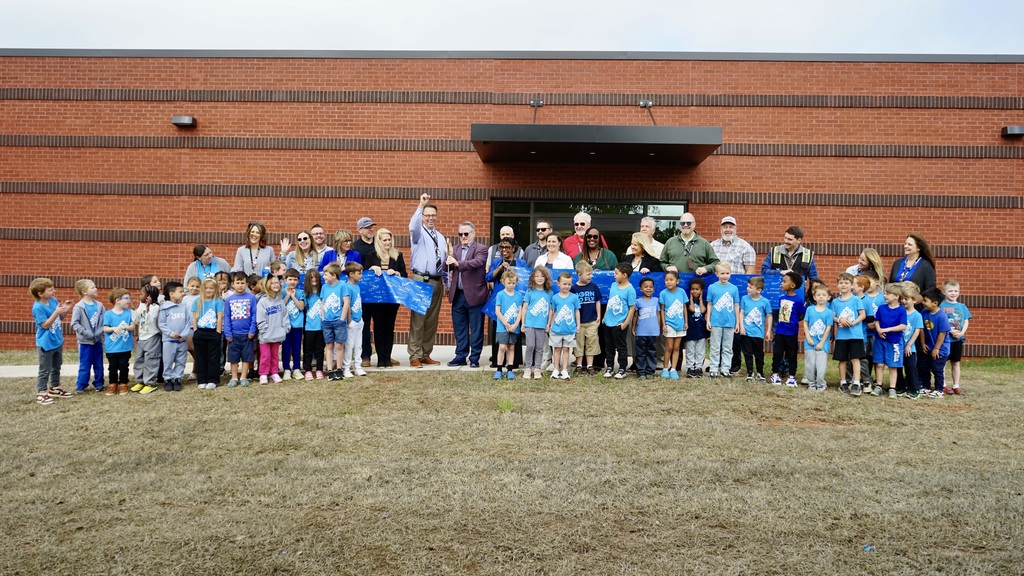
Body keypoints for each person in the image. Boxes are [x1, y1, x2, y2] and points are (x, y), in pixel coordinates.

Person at [407, 194, 447, 367]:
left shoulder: (441, 237)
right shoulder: (418, 234)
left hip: (437, 281)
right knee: (418, 319)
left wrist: (446, 283)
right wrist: (420, 205)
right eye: (427, 215)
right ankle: (414, 355)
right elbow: (412, 226)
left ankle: (425, 353)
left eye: (433, 215)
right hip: (421, 280)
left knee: (432, 320)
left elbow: (443, 260)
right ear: (423, 217)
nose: (430, 218)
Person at [446, 221, 489, 368]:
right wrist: (447, 259)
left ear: (473, 233)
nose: (463, 236)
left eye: (466, 233)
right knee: (460, 328)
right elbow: (448, 267)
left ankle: (475, 357)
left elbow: (476, 263)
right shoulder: (455, 249)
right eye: (460, 234)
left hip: (475, 294)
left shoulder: (481, 249)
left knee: (476, 328)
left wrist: (457, 263)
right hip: (457, 294)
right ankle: (460, 355)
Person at [364, 228, 407, 368]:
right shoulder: (372, 256)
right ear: (379, 241)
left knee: (389, 328)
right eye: (385, 240)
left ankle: (387, 358)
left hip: (391, 299)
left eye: (389, 239)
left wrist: (396, 272)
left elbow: (404, 274)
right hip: (376, 300)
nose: (387, 242)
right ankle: (380, 359)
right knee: (378, 328)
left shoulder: (397, 255)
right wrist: (371, 269)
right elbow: (364, 275)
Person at [30, 278, 73, 405]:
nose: (54, 291)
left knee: (56, 366)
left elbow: (59, 318)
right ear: (40, 294)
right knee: (45, 369)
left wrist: (66, 309)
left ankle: (54, 388)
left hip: (57, 341)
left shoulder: (53, 301)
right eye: (50, 289)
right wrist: (56, 312)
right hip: (46, 343)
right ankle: (41, 392)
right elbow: (45, 325)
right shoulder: (38, 307)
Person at [487, 238, 526, 369]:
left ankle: (514, 362)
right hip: (500, 300)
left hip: (515, 300)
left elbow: (525, 278)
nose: (504, 250)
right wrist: (500, 267)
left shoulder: (521, 262)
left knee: (514, 329)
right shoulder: (496, 262)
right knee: (500, 329)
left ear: (513, 248)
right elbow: (488, 277)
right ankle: (498, 362)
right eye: (502, 247)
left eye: (507, 247)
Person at [832, 272, 866, 396]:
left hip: (855, 334)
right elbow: (832, 316)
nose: (843, 285)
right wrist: (839, 320)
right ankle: (843, 382)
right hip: (842, 335)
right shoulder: (835, 302)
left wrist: (852, 322)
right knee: (842, 359)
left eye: (846, 283)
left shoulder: (856, 299)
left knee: (855, 358)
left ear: (851, 285)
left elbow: (863, 315)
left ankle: (856, 382)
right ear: (837, 285)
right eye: (841, 283)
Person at [706, 262, 741, 378]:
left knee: (727, 347)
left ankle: (725, 368)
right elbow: (709, 304)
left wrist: (737, 322)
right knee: (715, 347)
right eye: (722, 273)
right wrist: (708, 320)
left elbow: (736, 305)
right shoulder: (712, 287)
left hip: (730, 323)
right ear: (716, 274)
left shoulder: (733, 288)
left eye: (727, 273)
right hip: (716, 321)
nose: (725, 276)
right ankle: (713, 368)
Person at [71, 279, 105, 394]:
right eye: (92, 287)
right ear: (84, 291)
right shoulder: (79, 307)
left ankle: (99, 383)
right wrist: (86, 332)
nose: (96, 289)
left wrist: (99, 332)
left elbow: (105, 321)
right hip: (85, 342)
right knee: (85, 364)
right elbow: (75, 323)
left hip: (98, 341)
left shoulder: (100, 306)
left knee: (98, 363)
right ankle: (81, 385)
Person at [603, 262, 636, 379]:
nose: (614, 275)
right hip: (608, 322)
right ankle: (610, 367)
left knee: (621, 347)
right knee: (609, 346)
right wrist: (605, 316)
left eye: (616, 273)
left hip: (619, 323)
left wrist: (625, 323)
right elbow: (610, 302)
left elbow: (632, 307)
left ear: (625, 275)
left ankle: (622, 368)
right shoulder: (613, 285)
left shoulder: (630, 290)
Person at [874, 283, 908, 398]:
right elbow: (877, 320)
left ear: (896, 296)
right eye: (885, 293)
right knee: (879, 363)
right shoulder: (882, 308)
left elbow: (903, 325)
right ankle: (878, 385)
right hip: (880, 340)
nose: (885, 296)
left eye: (888, 294)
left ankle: (892, 388)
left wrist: (888, 330)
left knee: (893, 366)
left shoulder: (901, 311)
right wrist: (879, 330)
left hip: (894, 341)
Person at [770, 272, 804, 387]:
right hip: (780, 332)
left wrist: (792, 322)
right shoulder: (781, 298)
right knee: (777, 353)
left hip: (791, 333)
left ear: (792, 285)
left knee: (792, 354)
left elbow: (801, 315)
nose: (781, 283)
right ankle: (775, 374)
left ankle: (792, 376)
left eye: (784, 281)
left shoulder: (798, 301)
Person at [352, 217, 377, 368]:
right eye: (367, 227)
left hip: (380, 292)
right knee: (364, 324)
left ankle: (383, 354)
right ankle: (365, 355)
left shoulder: (379, 244)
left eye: (372, 226)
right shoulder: (355, 247)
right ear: (359, 230)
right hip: (362, 292)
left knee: (381, 324)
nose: (370, 229)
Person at [225, 271, 257, 388]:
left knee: (246, 356)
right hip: (233, 334)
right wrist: (228, 333)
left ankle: (243, 376)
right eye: (237, 283)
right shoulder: (229, 300)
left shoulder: (252, 298)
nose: (240, 285)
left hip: (247, 334)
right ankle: (234, 377)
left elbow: (254, 315)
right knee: (233, 357)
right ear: (233, 284)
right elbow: (227, 317)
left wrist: (252, 330)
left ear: (247, 284)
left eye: (242, 283)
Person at [190, 278, 224, 390]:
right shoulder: (197, 301)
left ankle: (212, 379)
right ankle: (202, 379)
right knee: (200, 357)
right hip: (200, 332)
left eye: (211, 288)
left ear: (215, 290)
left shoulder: (218, 302)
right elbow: (194, 317)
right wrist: (195, 330)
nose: (208, 290)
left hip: (213, 332)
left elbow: (220, 317)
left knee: (213, 357)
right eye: (206, 288)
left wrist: (218, 332)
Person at [158, 281, 191, 392]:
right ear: (171, 294)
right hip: (169, 341)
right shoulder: (164, 307)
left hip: (182, 341)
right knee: (168, 361)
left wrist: (184, 335)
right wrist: (171, 333)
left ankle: (177, 378)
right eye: (180, 291)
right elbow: (161, 323)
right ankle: (168, 379)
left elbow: (188, 322)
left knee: (181, 360)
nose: (183, 293)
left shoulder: (184, 307)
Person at [521, 266, 553, 380]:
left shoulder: (549, 293)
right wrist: (523, 323)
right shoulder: (529, 291)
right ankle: (528, 368)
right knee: (530, 346)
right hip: (529, 324)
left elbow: (550, 309)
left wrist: (548, 324)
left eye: (542, 276)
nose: (539, 278)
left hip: (541, 325)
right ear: (533, 278)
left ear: (546, 278)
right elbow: (524, 308)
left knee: (540, 348)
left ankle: (537, 369)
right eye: (537, 276)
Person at [256, 275, 290, 384]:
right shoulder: (263, 302)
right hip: (265, 336)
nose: (276, 285)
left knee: (275, 355)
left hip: (277, 334)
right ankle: (263, 374)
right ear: (267, 285)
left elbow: (285, 316)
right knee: (265, 356)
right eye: (273, 283)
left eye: (277, 283)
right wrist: (264, 330)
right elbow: (260, 318)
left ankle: (274, 373)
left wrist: (284, 329)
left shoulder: (280, 301)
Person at [102, 288, 135, 396]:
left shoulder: (129, 313)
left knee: (124, 366)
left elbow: (132, 327)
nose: (129, 300)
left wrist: (126, 327)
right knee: (112, 367)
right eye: (126, 298)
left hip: (125, 346)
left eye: (129, 298)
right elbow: (105, 328)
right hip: (112, 347)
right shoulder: (108, 314)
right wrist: (113, 329)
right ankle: (112, 384)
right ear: (117, 300)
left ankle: (123, 383)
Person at [919, 287, 951, 398]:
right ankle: (926, 387)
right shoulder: (924, 313)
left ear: (935, 303)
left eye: (925, 301)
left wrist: (936, 349)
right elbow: (921, 329)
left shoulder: (941, 316)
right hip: (928, 347)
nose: (923, 303)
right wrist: (923, 343)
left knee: (937, 369)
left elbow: (942, 333)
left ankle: (939, 389)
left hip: (940, 349)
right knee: (924, 368)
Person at [940, 279, 971, 395]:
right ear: (944, 292)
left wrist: (962, 332)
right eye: (950, 291)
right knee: (943, 362)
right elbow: (940, 320)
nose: (953, 293)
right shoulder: (941, 305)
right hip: (945, 339)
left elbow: (966, 321)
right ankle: (942, 384)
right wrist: (951, 330)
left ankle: (956, 385)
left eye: (955, 291)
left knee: (956, 362)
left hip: (958, 339)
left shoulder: (962, 306)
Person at [739, 276, 772, 382]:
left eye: (750, 287)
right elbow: (741, 313)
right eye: (748, 286)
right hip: (746, 332)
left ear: (759, 290)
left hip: (758, 333)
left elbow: (769, 315)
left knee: (759, 354)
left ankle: (760, 372)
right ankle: (749, 372)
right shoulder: (744, 299)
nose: (747, 289)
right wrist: (741, 327)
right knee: (747, 353)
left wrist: (768, 330)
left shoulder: (765, 302)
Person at [320, 261, 350, 381]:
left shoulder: (342, 286)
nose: (324, 277)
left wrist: (342, 318)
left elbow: (346, 302)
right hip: (327, 321)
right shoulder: (324, 287)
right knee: (329, 345)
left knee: (339, 345)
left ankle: (339, 368)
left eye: (326, 275)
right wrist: (323, 317)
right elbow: (322, 303)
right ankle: (330, 369)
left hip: (339, 321)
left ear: (333, 275)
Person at [549, 272, 581, 380]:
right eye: (564, 284)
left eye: (569, 284)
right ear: (558, 284)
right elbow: (552, 312)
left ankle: (564, 370)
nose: (566, 286)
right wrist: (549, 325)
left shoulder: (574, 297)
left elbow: (577, 311)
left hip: (569, 328)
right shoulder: (555, 298)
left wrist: (578, 325)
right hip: (557, 328)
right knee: (557, 349)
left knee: (566, 349)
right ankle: (555, 369)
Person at [571, 261, 602, 376]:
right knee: (579, 343)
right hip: (579, 322)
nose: (591, 276)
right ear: (579, 275)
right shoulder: (573, 288)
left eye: (591, 274)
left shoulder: (593, 286)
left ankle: (590, 365)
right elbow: (572, 305)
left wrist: (599, 315)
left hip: (592, 320)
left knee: (591, 342)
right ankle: (579, 365)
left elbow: (597, 301)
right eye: (588, 274)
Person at [802, 283, 834, 391]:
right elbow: (805, 323)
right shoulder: (810, 309)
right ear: (814, 297)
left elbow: (828, 328)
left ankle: (821, 384)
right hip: (809, 342)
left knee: (820, 366)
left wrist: (822, 343)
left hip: (822, 343)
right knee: (810, 364)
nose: (821, 297)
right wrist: (809, 338)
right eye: (818, 295)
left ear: (828, 297)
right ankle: (811, 383)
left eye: (824, 295)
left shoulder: (829, 312)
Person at [492, 268, 523, 380]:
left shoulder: (519, 295)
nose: (511, 285)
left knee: (511, 347)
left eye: (513, 283)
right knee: (502, 347)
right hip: (502, 326)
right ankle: (499, 369)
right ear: (503, 282)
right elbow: (497, 311)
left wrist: (515, 324)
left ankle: (510, 369)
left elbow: (520, 311)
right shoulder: (500, 295)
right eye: (509, 283)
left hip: (514, 326)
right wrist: (506, 324)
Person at [132, 285, 162, 394]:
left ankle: (150, 382)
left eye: (141, 294)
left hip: (152, 337)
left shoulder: (156, 308)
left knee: (151, 361)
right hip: (142, 337)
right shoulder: (141, 305)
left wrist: (148, 307)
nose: (139, 296)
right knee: (139, 359)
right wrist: (134, 309)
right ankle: (140, 381)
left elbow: (150, 321)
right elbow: (136, 320)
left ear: (148, 296)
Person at [897, 282, 923, 399]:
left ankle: (914, 389)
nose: (903, 301)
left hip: (909, 347)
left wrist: (909, 345)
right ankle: (900, 387)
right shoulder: (900, 312)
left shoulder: (917, 315)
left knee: (910, 367)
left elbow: (917, 331)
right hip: (898, 345)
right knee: (897, 367)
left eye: (906, 299)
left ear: (914, 300)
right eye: (902, 299)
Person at [658, 271, 687, 380]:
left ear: (677, 281)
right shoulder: (663, 293)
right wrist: (663, 324)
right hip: (669, 324)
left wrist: (686, 322)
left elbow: (684, 307)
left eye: (671, 280)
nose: (669, 282)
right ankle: (665, 368)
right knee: (669, 347)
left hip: (680, 324)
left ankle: (673, 369)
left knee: (676, 347)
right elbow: (662, 309)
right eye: (666, 280)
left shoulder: (682, 292)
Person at [341, 262, 366, 379]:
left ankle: (358, 366)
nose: (361, 276)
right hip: (351, 321)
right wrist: (349, 320)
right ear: (351, 274)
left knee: (358, 345)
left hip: (359, 320)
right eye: (359, 273)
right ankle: (346, 367)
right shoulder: (347, 287)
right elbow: (347, 304)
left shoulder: (357, 287)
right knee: (349, 345)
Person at [281, 269, 306, 380]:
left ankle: (296, 368)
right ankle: (286, 369)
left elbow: (301, 307)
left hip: (297, 326)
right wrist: (287, 295)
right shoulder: (281, 291)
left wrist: (293, 296)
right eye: (290, 279)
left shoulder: (301, 292)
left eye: (295, 279)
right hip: (285, 326)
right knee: (286, 348)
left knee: (296, 348)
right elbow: (280, 307)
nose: (292, 282)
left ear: (298, 281)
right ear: (285, 279)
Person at [633, 278, 660, 380]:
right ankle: (641, 372)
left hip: (653, 332)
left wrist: (659, 328)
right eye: (646, 286)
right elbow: (635, 316)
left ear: (653, 289)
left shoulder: (656, 300)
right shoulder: (638, 302)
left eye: (651, 287)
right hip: (641, 332)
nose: (648, 289)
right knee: (640, 353)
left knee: (652, 352)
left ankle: (650, 371)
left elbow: (658, 315)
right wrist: (633, 328)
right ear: (641, 289)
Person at [683, 277, 709, 378]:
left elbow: (702, 310)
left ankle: (698, 368)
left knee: (700, 351)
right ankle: (690, 368)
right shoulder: (688, 302)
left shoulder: (705, 301)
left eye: (697, 289)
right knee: (690, 350)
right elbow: (692, 309)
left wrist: (701, 299)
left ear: (701, 290)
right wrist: (691, 299)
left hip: (701, 330)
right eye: (692, 289)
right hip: (691, 330)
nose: (695, 291)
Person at [301, 272, 325, 379]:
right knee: (308, 350)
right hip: (309, 327)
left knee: (320, 350)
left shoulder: (323, 291)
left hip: (322, 326)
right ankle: (308, 370)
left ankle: (319, 369)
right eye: (311, 278)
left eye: (316, 277)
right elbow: (303, 308)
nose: (314, 279)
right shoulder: (305, 294)